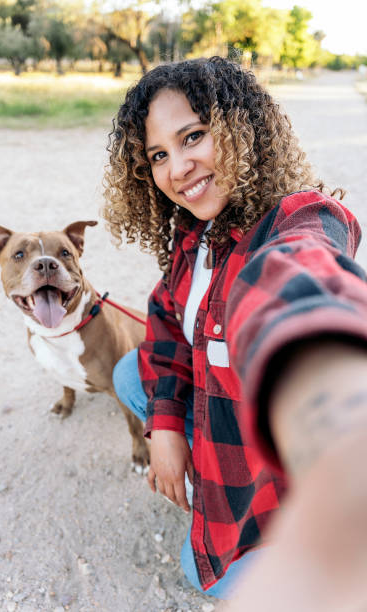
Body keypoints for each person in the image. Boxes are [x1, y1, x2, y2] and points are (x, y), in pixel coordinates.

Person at [103, 56, 367, 605]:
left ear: (242, 129)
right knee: (130, 370)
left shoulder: (298, 219)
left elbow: (297, 279)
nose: (178, 168)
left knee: (201, 570)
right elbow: (165, 321)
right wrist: (164, 428)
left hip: (265, 471)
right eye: (158, 155)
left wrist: (340, 418)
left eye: (193, 136)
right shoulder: (192, 235)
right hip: (216, 418)